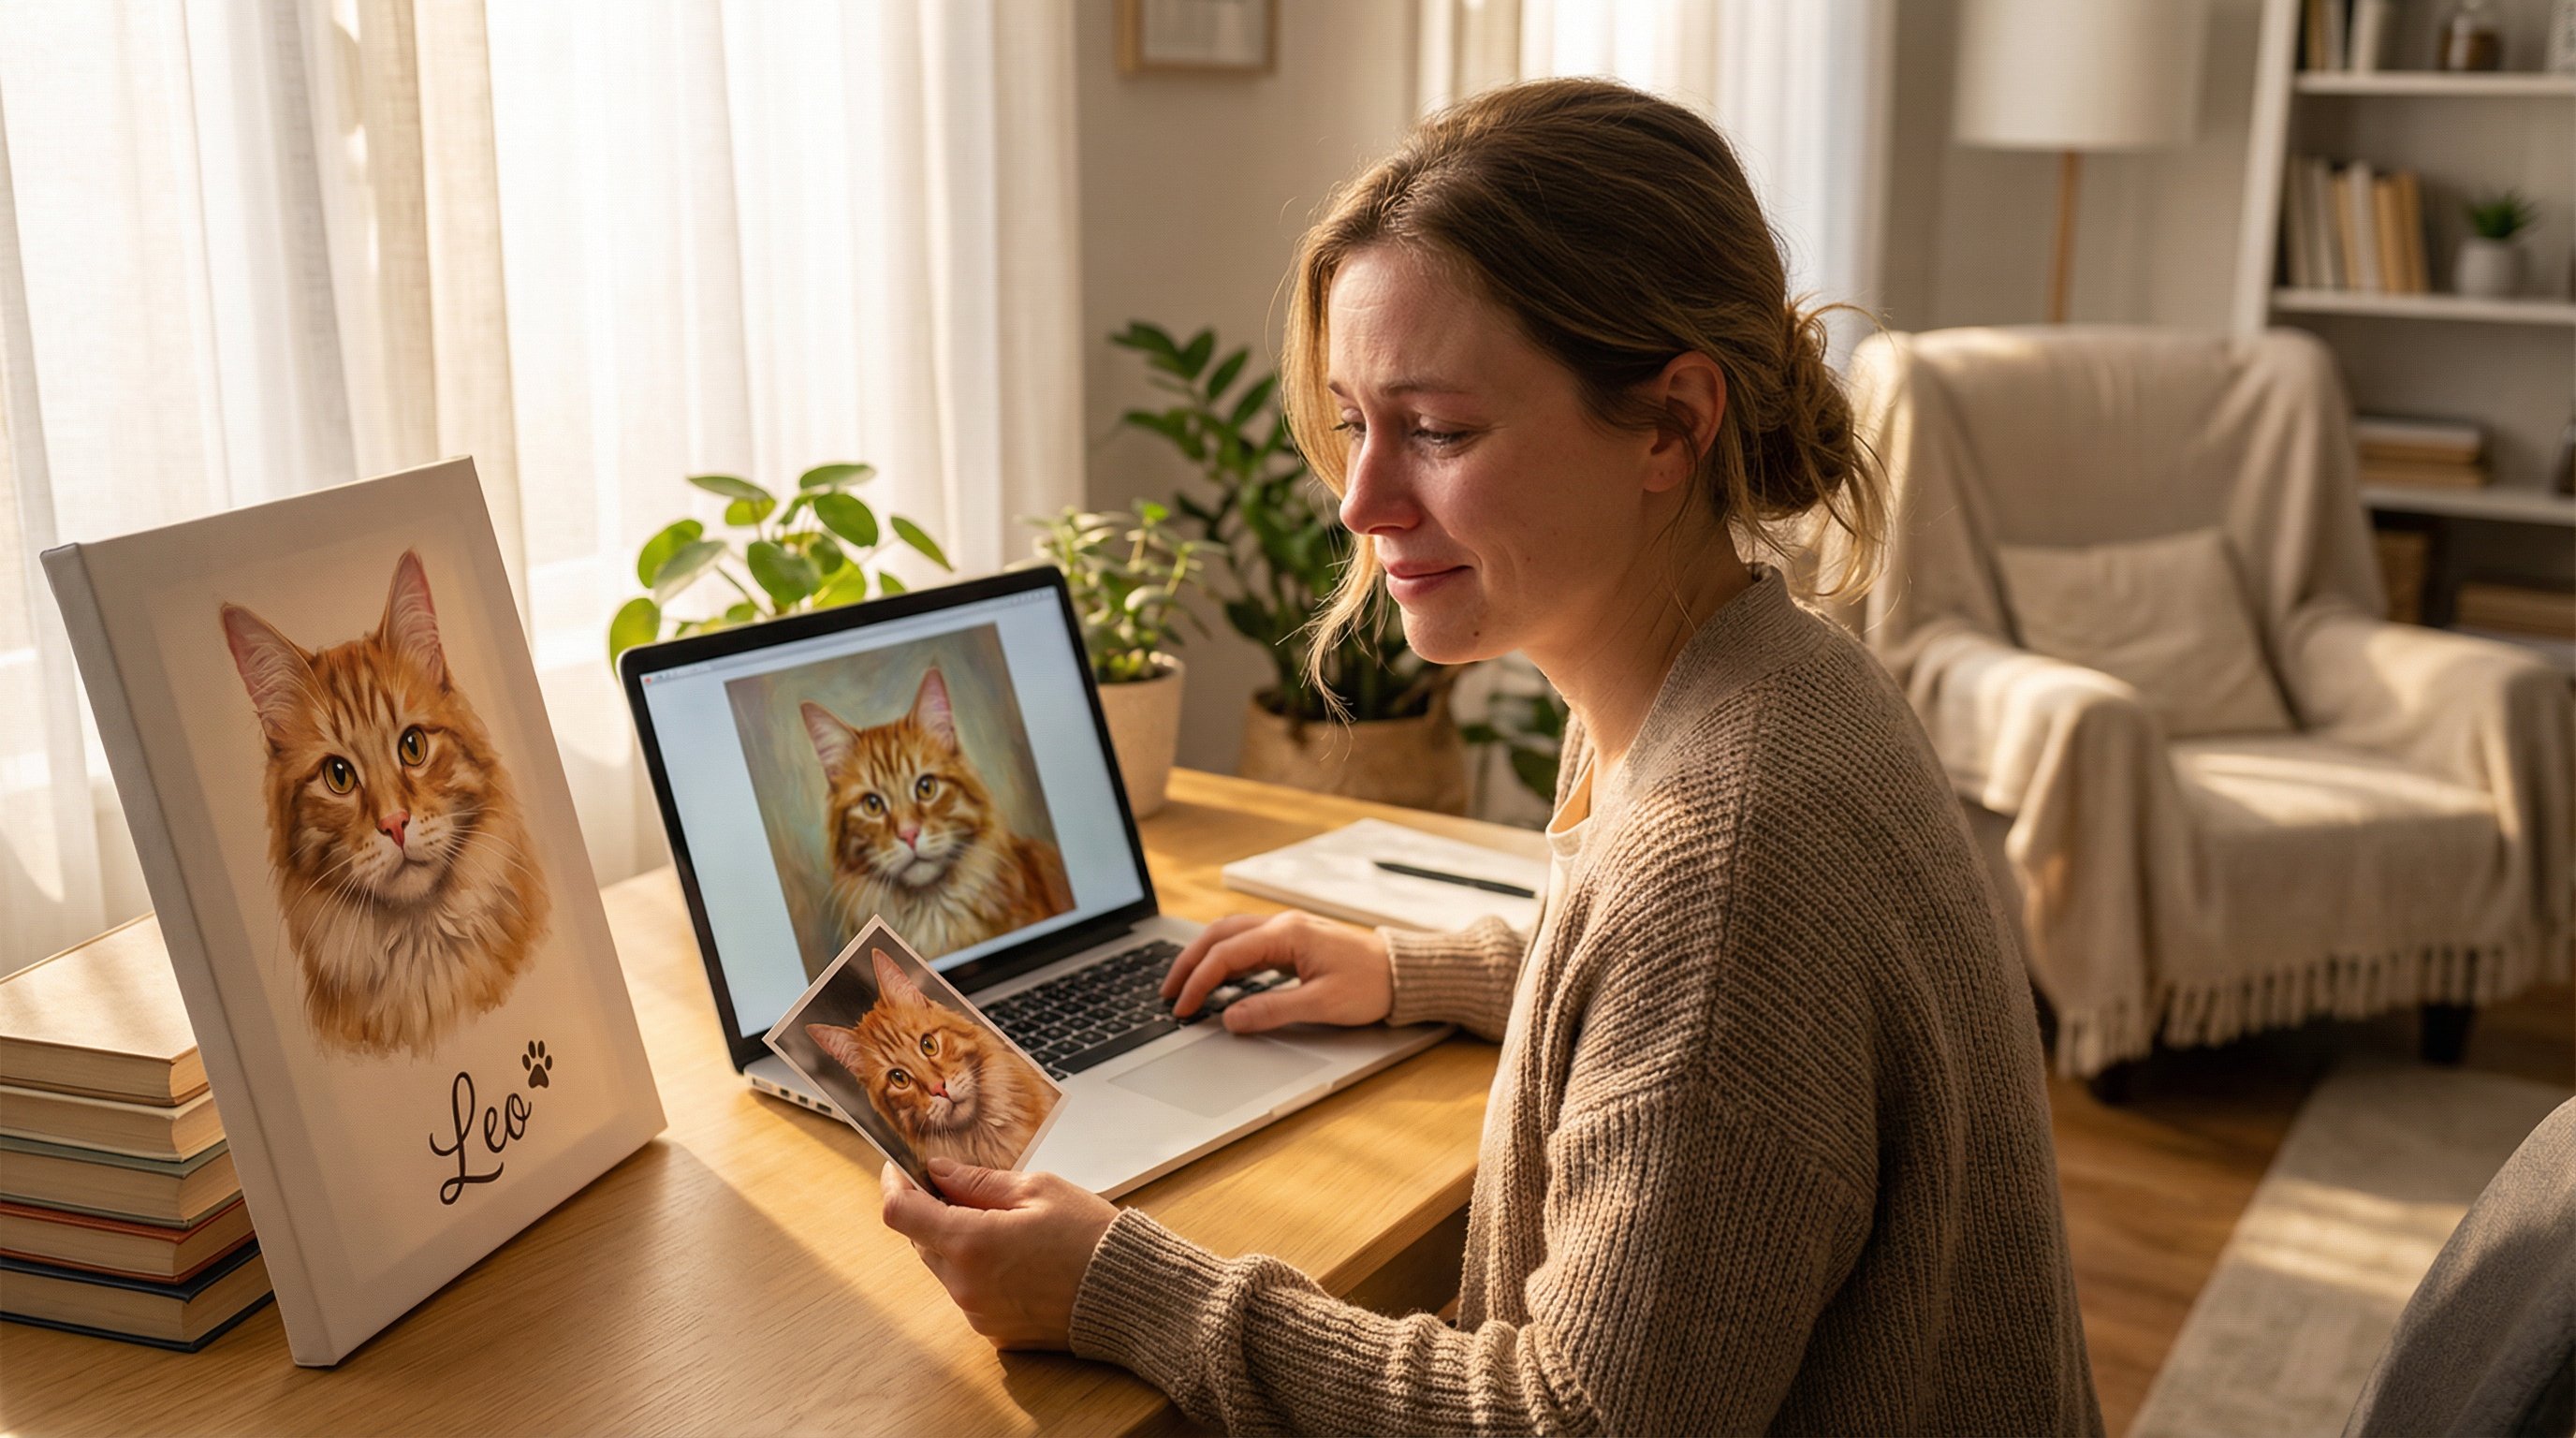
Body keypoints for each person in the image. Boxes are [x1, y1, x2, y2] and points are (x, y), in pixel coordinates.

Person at [881, 77, 2101, 1435]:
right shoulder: (1766, 673)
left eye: (1441, 431)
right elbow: (1693, 1028)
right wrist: (1419, 971)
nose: (1361, 500)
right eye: (1354, 421)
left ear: (1672, 425)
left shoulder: (1727, 859)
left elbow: (1568, 1421)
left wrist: (1118, 1282)